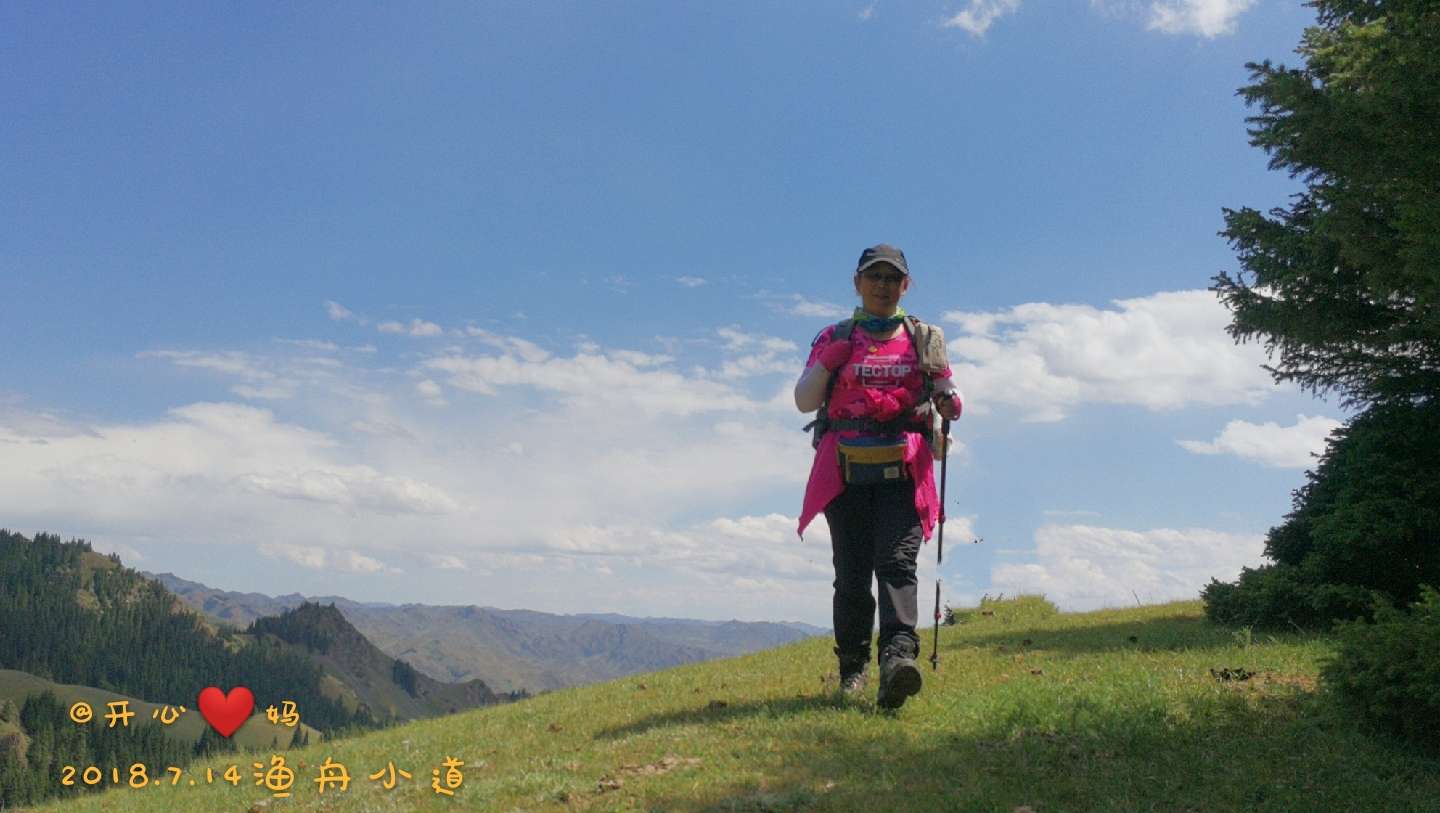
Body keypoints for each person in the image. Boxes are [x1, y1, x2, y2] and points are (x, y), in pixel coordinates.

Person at [794, 244, 962, 709]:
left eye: (892, 278)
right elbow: (805, 401)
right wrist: (829, 361)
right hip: (844, 472)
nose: (883, 286)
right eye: (875, 277)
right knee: (851, 574)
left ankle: (897, 661)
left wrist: (950, 403)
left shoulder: (924, 338)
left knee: (896, 564)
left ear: (905, 285)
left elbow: (948, 391)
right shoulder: (834, 336)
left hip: (905, 468)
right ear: (857, 283)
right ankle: (853, 669)